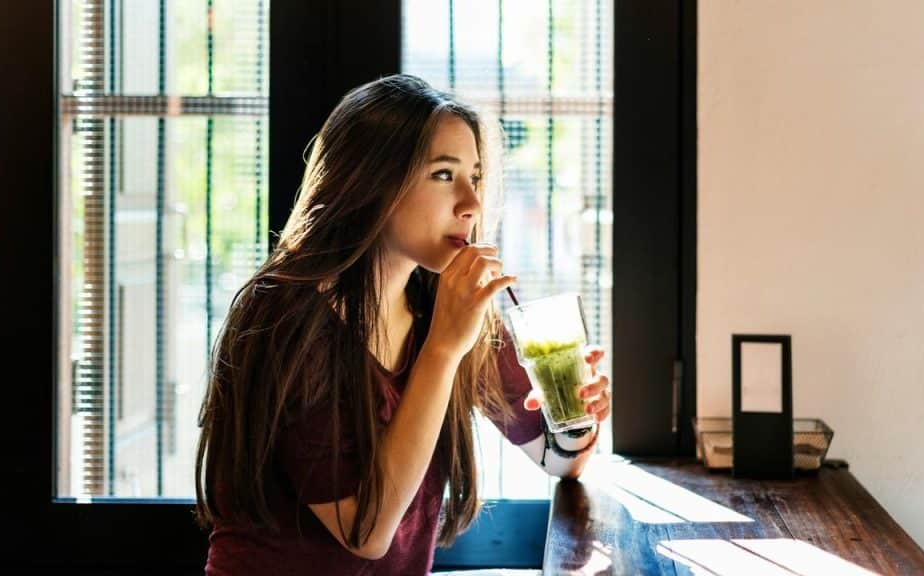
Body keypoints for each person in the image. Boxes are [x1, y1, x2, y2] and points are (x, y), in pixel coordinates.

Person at [194, 74, 611, 575]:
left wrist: (576, 411)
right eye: (443, 175)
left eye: (475, 177)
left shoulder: (443, 304)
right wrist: (441, 351)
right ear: (372, 183)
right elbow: (365, 532)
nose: (472, 204)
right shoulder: (285, 318)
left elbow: (558, 460)